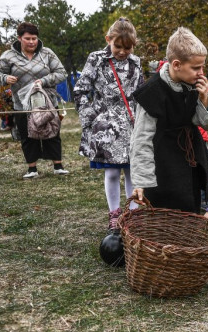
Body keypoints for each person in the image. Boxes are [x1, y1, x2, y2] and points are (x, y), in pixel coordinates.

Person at [130, 27, 208, 213]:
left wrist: (204, 100)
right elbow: (141, 141)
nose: (201, 72)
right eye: (196, 67)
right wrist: (141, 181)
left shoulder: (194, 85)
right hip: (163, 163)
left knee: (190, 208)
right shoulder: (152, 93)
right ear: (176, 64)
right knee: (164, 212)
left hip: (190, 157)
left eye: (202, 67)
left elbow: (206, 124)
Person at [74, 17, 144, 233]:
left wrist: (145, 118)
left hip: (132, 124)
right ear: (108, 40)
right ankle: (114, 214)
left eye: (128, 47)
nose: (123, 51)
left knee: (133, 171)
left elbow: (140, 91)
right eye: (118, 46)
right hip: (106, 126)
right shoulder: (96, 59)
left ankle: (132, 214)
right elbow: (80, 90)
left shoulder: (136, 62)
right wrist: (91, 118)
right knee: (112, 172)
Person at [0, 22, 68, 178]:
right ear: (20, 38)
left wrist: (44, 81)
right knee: (27, 135)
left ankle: (58, 166)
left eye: (34, 38)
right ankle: (32, 169)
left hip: (47, 102)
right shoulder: (8, 56)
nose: (32, 41)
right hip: (22, 104)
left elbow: (61, 73)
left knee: (52, 132)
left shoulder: (47, 53)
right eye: (28, 38)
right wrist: (5, 78)